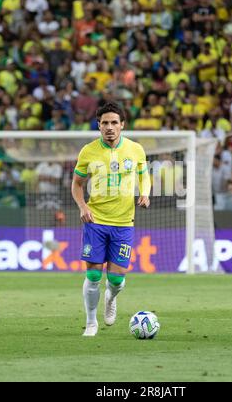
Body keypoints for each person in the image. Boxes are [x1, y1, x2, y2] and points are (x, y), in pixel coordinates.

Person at [72, 102, 151, 337]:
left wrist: (145, 193)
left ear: (122, 125)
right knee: (94, 274)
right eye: (105, 123)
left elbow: (143, 176)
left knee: (116, 280)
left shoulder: (135, 149)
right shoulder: (88, 151)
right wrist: (82, 205)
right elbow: (77, 185)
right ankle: (90, 323)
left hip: (124, 223)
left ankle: (111, 297)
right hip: (95, 220)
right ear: (98, 125)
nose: (109, 127)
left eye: (114, 122)